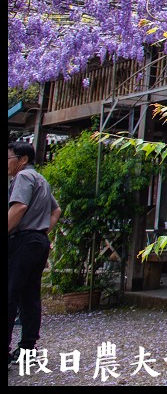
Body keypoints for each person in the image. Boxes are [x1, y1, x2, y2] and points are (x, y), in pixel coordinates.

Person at [8, 141, 61, 366]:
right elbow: (56, 209)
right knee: (30, 296)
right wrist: (43, 230)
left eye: (9, 158)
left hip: (23, 240)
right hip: (38, 242)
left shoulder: (23, 177)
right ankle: (27, 349)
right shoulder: (41, 179)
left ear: (23, 159)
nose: (7, 163)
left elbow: (19, 207)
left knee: (10, 294)